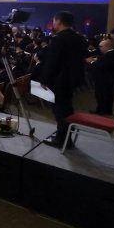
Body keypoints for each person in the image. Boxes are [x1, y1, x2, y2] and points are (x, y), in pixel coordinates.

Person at [39, 12, 87, 148]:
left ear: (59, 22)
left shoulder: (59, 39)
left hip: (60, 80)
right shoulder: (80, 38)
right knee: (67, 107)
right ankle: (65, 136)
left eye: (54, 21)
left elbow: (52, 62)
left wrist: (44, 79)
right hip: (73, 79)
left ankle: (62, 139)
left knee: (60, 110)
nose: (53, 23)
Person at [88, 39, 114, 115]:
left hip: (104, 79)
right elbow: (104, 60)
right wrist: (98, 59)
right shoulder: (113, 53)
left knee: (101, 95)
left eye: (101, 46)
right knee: (108, 96)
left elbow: (102, 67)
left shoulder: (109, 55)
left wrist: (91, 61)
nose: (99, 48)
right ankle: (108, 111)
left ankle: (100, 111)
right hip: (109, 78)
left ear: (107, 46)